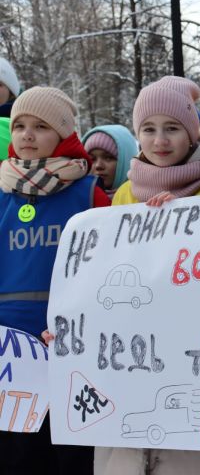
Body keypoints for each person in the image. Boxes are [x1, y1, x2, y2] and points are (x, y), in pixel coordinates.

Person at [93, 75, 200, 475]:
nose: (160, 140)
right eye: (149, 129)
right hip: (128, 367)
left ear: (192, 135)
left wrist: (179, 223)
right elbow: (97, 275)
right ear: (137, 135)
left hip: (198, 371)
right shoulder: (122, 196)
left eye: (172, 128)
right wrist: (77, 329)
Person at [0, 86, 110, 475]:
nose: (27, 135)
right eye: (20, 126)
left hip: (73, 348)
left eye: (40, 126)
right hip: (11, 357)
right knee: (17, 455)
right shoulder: (1, 195)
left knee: (72, 455)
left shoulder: (90, 193)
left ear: (64, 134)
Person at [82, 124, 137, 199]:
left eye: (108, 158)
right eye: (92, 159)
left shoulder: (146, 200)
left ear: (127, 161)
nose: (98, 165)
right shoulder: (76, 200)